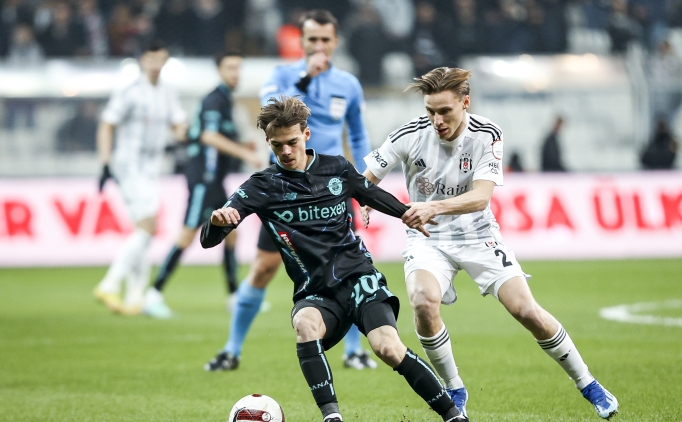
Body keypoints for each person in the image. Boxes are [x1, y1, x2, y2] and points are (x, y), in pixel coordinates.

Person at [361, 67, 619, 420]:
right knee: (422, 303)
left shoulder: (487, 134)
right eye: (430, 111)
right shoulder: (410, 134)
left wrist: (433, 206)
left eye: (445, 111)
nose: (437, 120)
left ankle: (588, 383)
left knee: (526, 311)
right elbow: (367, 179)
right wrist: (366, 201)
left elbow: (481, 197)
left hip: (478, 235)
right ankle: (455, 387)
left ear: (465, 103)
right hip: (428, 239)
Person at [200, 95, 466, 422]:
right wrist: (216, 223)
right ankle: (332, 418)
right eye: (277, 145)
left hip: (359, 280)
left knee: (387, 347)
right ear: (268, 142)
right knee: (304, 323)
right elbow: (208, 240)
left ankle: (453, 415)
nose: (286, 151)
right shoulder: (261, 187)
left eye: (292, 142)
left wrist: (406, 213)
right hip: (316, 292)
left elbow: (370, 193)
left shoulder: (336, 168)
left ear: (306, 134)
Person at [209, 9, 375, 372]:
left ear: (335, 42)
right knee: (263, 268)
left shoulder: (348, 84)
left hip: (332, 188)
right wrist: (306, 77)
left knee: (347, 269)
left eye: (325, 40)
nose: (319, 46)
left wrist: (366, 183)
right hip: (285, 191)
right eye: (312, 39)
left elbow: (358, 134)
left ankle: (354, 351)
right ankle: (231, 349)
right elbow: (271, 111)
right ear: (301, 42)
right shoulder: (282, 76)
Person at [142, 51, 262, 319]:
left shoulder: (225, 100)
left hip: (214, 180)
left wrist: (240, 144)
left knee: (232, 234)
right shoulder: (214, 100)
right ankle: (153, 294)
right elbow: (209, 137)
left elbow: (216, 135)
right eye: (230, 67)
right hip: (203, 180)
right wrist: (244, 154)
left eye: (238, 68)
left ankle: (234, 297)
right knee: (186, 235)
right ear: (219, 70)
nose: (235, 73)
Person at [93, 39, 188, 315]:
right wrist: (105, 162)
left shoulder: (168, 91)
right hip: (129, 165)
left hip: (151, 168)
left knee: (144, 231)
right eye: (151, 59)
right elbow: (107, 125)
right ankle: (109, 284)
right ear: (142, 61)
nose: (156, 64)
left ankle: (135, 298)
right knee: (148, 226)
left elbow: (178, 125)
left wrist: (188, 133)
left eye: (161, 59)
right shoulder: (130, 90)